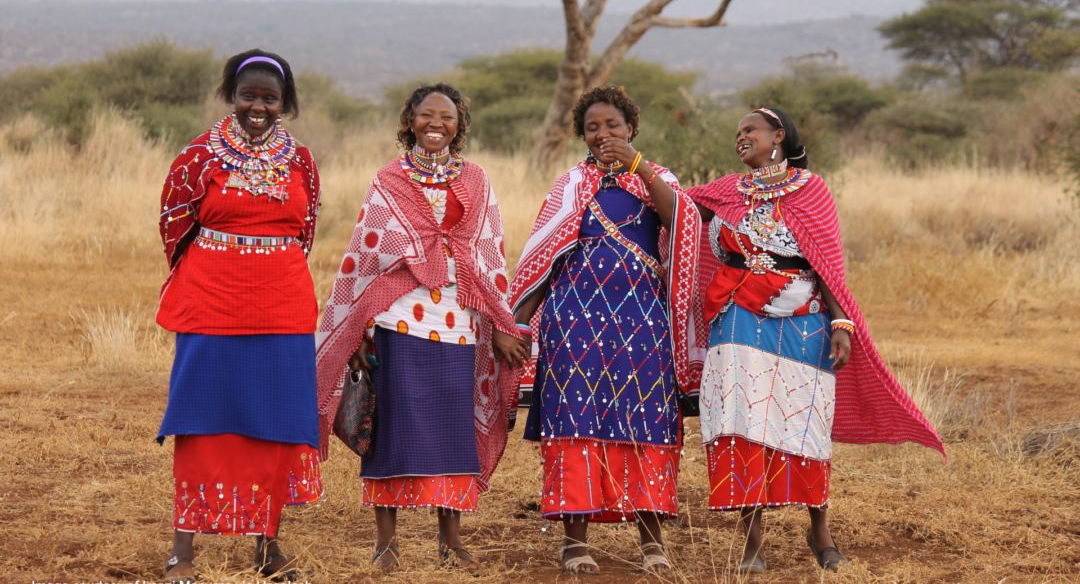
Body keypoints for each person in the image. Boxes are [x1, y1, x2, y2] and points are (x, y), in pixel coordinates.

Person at [686, 108, 945, 574]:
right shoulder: (725, 191)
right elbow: (678, 214)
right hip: (736, 316)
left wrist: (842, 324)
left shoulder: (811, 190)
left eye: (751, 130)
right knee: (744, 418)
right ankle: (751, 541)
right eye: (737, 132)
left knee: (805, 418)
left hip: (803, 318)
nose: (740, 137)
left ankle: (819, 529)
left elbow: (826, 265)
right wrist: (638, 165)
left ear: (778, 136)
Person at [315, 83, 529, 574]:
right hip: (396, 319)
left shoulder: (475, 180)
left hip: (459, 323)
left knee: (454, 431)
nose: (436, 124)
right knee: (392, 428)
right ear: (410, 120)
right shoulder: (389, 180)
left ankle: (450, 543)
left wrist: (499, 323)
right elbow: (368, 254)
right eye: (426, 115)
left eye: (447, 117)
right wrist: (359, 329)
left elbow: (488, 255)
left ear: (460, 125)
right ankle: (386, 544)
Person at [508, 85, 702, 575]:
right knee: (575, 420)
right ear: (581, 135)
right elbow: (543, 261)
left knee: (648, 420)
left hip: (643, 321)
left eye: (612, 126)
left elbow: (681, 222)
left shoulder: (658, 178)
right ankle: (575, 542)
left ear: (631, 128)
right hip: (573, 320)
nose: (603, 134)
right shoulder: (570, 184)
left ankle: (652, 541)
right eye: (592, 127)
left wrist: (638, 165)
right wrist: (515, 322)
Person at [155, 50, 322, 583]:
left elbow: (306, 230)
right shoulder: (199, 156)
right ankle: (184, 550)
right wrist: (219, 266)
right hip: (211, 302)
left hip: (284, 305)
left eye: (269, 98)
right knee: (202, 417)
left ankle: (267, 545)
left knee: (275, 421)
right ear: (232, 95)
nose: (258, 106)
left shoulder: (301, 162)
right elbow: (173, 225)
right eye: (248, 95)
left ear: (284, 104)